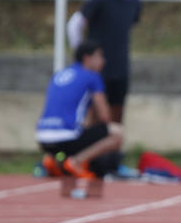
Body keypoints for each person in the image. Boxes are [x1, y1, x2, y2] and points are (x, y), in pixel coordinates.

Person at [35, 40, 124, 180]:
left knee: (81, 129)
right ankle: (76, 162)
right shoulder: (92, 77)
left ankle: (53, 160)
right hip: (66, 137)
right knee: (117, 133)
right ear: (87, 58)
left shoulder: (59, 75)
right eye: (99, 56)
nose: (103, 61)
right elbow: (105, 117)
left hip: (42, 137)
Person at [68, 0, 141, 124]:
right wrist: (82, 55)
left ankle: (112, 149)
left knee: (117, 111)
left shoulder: (134, 2)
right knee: (94, 111)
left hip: (120, 66)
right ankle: (91, 147)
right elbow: (74, 24)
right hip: (98, 68)